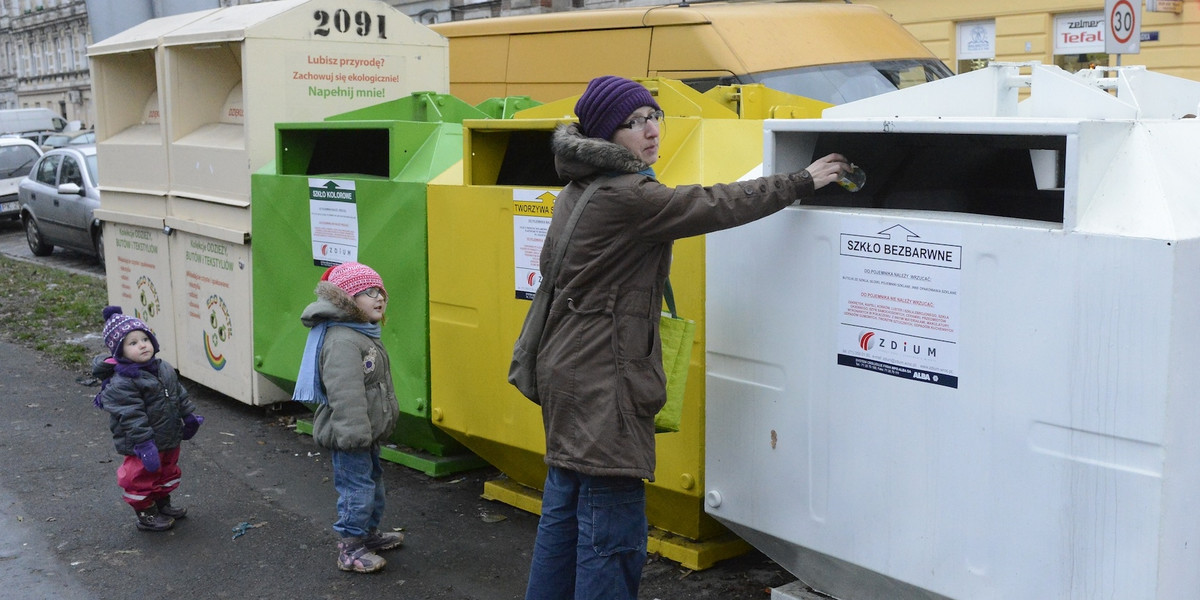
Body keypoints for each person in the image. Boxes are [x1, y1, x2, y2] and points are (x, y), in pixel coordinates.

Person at [524, 75, 851, 599]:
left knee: (564, 515)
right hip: (603, 381)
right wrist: (800, 181)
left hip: (566, 368)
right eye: (632, 124)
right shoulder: (629, 195)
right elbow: (715, 203)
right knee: (613, 532)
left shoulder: (576, 188)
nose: (650, 130)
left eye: (653, 115)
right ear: (605, 136)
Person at [293, 261, 403, 574]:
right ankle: (350, 547)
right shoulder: (343, 340)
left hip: (364, 433)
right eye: (368, 292)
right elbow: (346, 394)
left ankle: (367, 534)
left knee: (372, 485)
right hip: (350, 434)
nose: (379, 297)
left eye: (380, 290)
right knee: (357, 490)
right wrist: (355, 433)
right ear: (348, 301)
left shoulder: (362, 333)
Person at [93, 306, 202, 532]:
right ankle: (146, 512)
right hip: (141, 443)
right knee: (140, 476)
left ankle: (162, 503)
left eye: (145, 338)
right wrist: (143, 444)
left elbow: (177, 393)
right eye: (132, 343)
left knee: (165, 470)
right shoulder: (123, 381)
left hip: (167, 435)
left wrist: (188, 416)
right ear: (120, 351)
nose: (142, 345)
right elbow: (130, 415)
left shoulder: (163, 368)